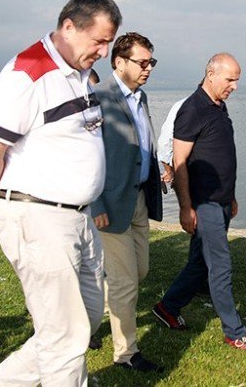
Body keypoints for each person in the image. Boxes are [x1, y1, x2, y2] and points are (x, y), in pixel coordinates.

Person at [0, 0, 121, 386]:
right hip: (40, 218)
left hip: (78, 217)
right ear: (68, 27)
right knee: (64, 338)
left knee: (82, 321)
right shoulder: (29, 73)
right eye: (99, 41)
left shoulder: (77, 73)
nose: (104, 52)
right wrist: (0, 189)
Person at [151, 53, 246, 350]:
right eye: (230, 79)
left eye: (237, 80)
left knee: (200, 263)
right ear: (211, 74)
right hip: (205, 204)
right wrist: (186, 208)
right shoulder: (192, 109)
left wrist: (231, 196)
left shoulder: (218, 107)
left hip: (221, 201)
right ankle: (234, 332)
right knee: (220, 265)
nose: (235, 86)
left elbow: (218, 155)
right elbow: (180, 161)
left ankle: (167, 307)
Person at [90, 32, 164, 373]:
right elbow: (87, 156)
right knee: (124, 282)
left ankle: (90, 308)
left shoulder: (141, 97)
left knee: (140, 271)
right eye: (142, 62)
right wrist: (96, 204)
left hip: (138, 200)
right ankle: (126, 353)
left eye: (151, 62)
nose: (148, 68)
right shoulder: (98, 98)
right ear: (119, 62)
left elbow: (141, 144)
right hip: (110, 204)